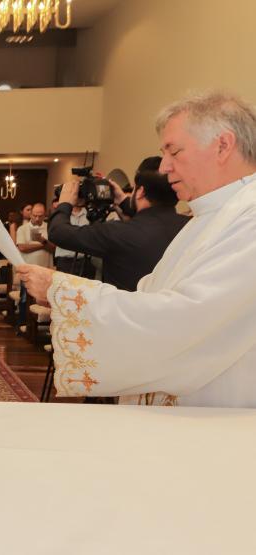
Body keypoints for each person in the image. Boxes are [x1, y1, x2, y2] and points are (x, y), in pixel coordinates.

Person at [18, 91, 256, 407]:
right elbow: (150, 296)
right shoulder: (208, 216)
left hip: (219, 414)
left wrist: (64, 292)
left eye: (174, 151)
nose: (165, 167)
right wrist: (67, 302)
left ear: (223, 145)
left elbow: (185, 319)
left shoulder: (248, 219)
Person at [47, 157, 190, 290]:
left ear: (140, 192)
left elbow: (58, 232)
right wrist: (123, 201)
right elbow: (151, 221)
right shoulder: (190, 226)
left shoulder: (118, 232)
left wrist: (65, 203)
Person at [49, 192, 95, 278]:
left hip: (85, 261)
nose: (78, 198)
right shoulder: (61, 215)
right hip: (65, 261)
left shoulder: (90, 215)